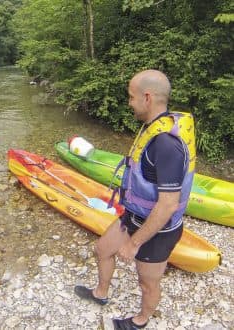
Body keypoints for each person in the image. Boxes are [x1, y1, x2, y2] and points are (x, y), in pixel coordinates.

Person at [74, 69, 196, 329]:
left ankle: (140, 321)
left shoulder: (166, 145)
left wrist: (134, 244)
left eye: (131, 97)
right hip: (134, 215)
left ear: (147, 97)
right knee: (103, 250)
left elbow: (168, 204)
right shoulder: (152, 128)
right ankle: (101, 293)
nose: (129, 103)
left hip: (159, 229)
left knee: (147, 282)